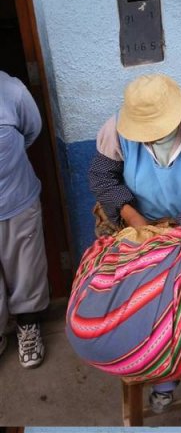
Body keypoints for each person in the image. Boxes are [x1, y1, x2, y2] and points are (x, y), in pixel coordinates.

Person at [88, 73, 181, 412]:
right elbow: (102, 177)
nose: (150, 137)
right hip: (139, 223)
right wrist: (138, 224)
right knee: (143, 302)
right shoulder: (117, 131)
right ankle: (156, 373)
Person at [0, 70, 49, 368]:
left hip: (16, 200)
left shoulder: (12, 91)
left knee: (26, 268)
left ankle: (28, 326)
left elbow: (32, 131)